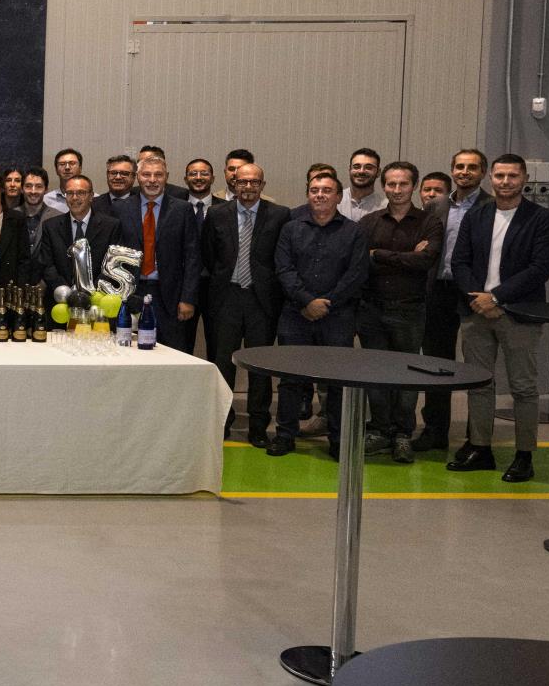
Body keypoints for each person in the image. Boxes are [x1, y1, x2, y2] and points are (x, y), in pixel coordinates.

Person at [449, 154, 549, 482]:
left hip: (519, 313)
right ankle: (480, 448)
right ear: (491, 178)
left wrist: (496, 297)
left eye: (513, 176)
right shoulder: (477, 215)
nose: (505, 182)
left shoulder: (542, 219)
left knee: (523, 387)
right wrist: (478, 299)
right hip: (476, 312)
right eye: (500, 176)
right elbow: (459, 262)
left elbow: (540, 268)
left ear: (524, 178)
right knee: (480, 384)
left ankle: (524, 455)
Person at [269, 170, 369, 459]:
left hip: (337, 316)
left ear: (338, 196)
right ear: (308, 194)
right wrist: (306, 301)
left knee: (336, 380)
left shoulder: (354, 232)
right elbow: (284, 269)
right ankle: (285, 435)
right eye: (315, 190)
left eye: (327, 190)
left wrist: (326, 303)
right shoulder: (291, 229)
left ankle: (337, 439)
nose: (320, 195)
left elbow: (356, 274)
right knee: (290, 379)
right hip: (295, 314)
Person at [357, 161, 442, 463]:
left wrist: (379, 255)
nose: (396, 190)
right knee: (376, 372)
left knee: (408, 373)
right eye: (391, 184)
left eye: (403, 184)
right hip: (372, 309)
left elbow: (426, 261)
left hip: (410, 309)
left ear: (414, 186)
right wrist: (407, 256)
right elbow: (360, 261)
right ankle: (380, 429)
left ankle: (403, 433)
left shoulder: (429, 222)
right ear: (384, 186)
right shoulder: (368, 222)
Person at [201, 164, 289, 447]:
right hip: (226, 298)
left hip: (261, 301)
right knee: (223, 364)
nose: (248, 187)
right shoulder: (217, 214)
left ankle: (258, 426)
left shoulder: (279, 215)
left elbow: (281, 257)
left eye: (254, 182)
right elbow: (209, 255)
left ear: (263, 185)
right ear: (234, 184)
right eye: (242, 182)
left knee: (259, 366)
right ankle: (222, 422)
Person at [414, 150, 486, 453]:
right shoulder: (436, 205)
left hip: (475, 293)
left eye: (472, 167)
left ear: (482, 172)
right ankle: (435, 430)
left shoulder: (491, 206)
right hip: (438, 290)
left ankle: (477, 435)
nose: (465, 172)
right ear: (452, 170)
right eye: (459, 167)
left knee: (477, 365)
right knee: (436, 363)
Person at [115, 155, 202, 351]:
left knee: (172, 353)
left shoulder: (182, 209)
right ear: (137, 177)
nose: (152, 180)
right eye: (146, 175)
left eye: (158, 175)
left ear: (167, 177)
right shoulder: (121, 208)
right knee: (130, 352)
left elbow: (192, 257)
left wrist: (188, 298)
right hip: (131, 293)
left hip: (170, 297)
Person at [41, 175, 119, 300]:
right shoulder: (50, 226)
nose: (74, 198)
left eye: (81, 193)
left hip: (98, 299)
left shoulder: (110, 226)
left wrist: (91, 293)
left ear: (91, 196)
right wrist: (65, 292)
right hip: (60, 300)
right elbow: (47, 265)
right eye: (69, 193)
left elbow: (112, 265)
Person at [339, 148, 383, 220]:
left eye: (368, 167)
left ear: (378, 172)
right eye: (356, 167)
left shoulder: (384, 207)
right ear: (349, 170)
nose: (361, 171)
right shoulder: (334, 201)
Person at [44, 149, 83, 214]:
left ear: (80, 168)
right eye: (62, 164)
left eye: (72, 163)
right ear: (56, 170)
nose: (67, 167)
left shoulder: (94, 199)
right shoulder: (46, 200)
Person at [183, 159, 222, 224]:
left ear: (212, 179)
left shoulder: (225, 207)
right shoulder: (175, 208)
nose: (198, 178)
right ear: (186, 180)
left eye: (204, 174)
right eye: (193, 174)